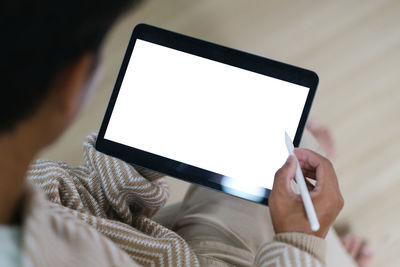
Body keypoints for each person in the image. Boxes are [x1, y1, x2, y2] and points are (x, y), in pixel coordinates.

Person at [0, 1, 371, 266]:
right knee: (296, 148)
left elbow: (75, 204)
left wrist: (138, 153)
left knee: (284, 161)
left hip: (141, 242)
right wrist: (299, 245)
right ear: (73, 82)